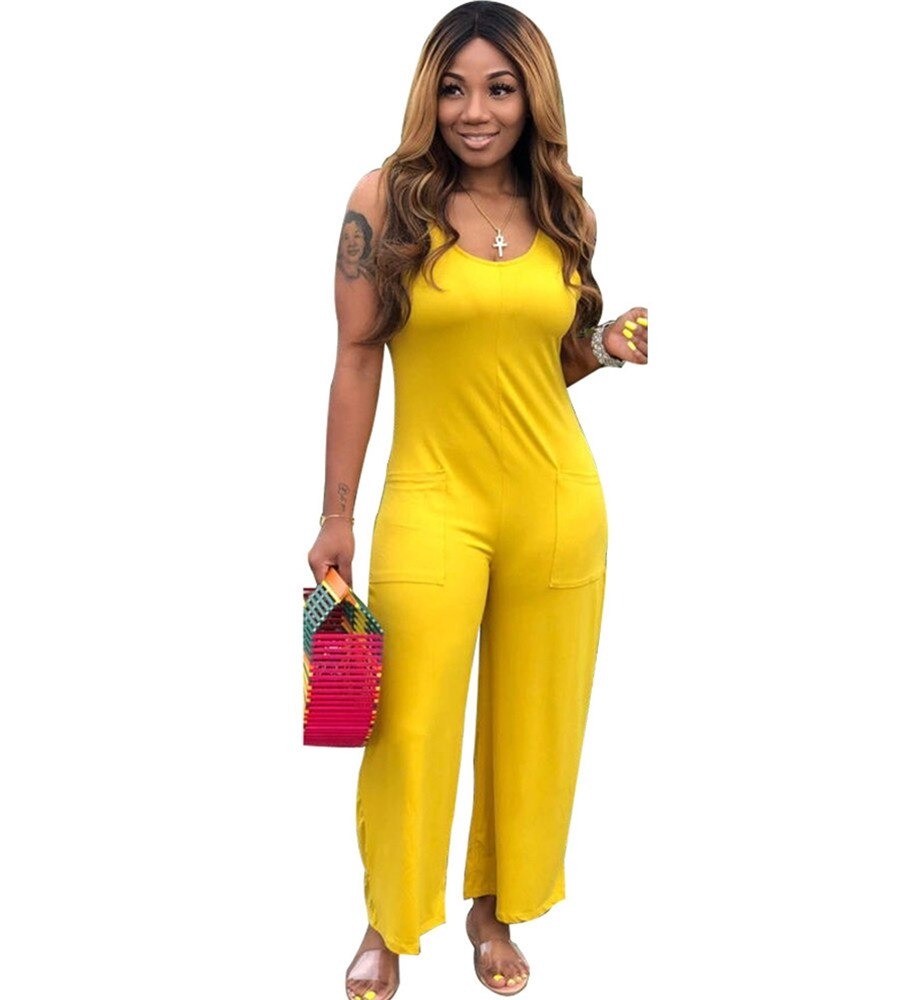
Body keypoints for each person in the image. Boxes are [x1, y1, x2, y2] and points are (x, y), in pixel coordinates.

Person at [306, 3, 649, 998]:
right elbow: (357, 357)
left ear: (533, 97)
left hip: (556, 499)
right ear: (430, 94)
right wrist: (337, 513)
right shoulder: (387, 200)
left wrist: (602, 347)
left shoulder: (564, 211)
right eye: (454, 88)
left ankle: (495, 911)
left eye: (500, 88)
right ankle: (388, 920)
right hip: (433, 497)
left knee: (535, 720)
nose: (475, 110)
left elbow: (540, 362)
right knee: (407, 721)